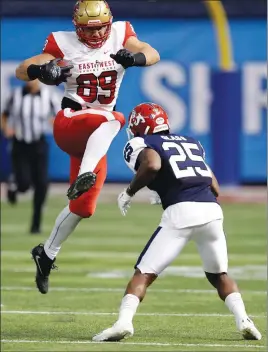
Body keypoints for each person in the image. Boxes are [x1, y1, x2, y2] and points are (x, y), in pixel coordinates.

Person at [15, 0, 160, 293]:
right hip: (71, 122)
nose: (95, 36)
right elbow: (22, 69)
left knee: (83, 207)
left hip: (97, 136)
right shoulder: (61, 42)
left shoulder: (122, 33)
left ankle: (47, 253)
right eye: (87, 30)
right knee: (115, 117)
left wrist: (134, 59)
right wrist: (43, 71)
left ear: (110, 24)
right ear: (76, 28)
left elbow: (152, 53)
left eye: (99, 29)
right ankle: (86, 173)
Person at [93, 102, 262, 342]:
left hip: (181, 211)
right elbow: (214, 185)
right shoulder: (191, 142)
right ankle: (244, 320)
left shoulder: (142, 143)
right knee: (219, 275)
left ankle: (123, 323)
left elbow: (152, 164)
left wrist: (130, 192)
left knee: (144, 273)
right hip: (212, 211)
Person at [1, 80, 58, 233]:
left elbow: (58, 116)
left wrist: (55, 123)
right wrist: (6, 129)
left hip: (38, 143)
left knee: (42, 184)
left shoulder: (49, 96)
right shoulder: (15, 95)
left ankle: (36, 223)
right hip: (20, 143)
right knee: (24, 184)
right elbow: (4, 115)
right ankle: (14, 186)